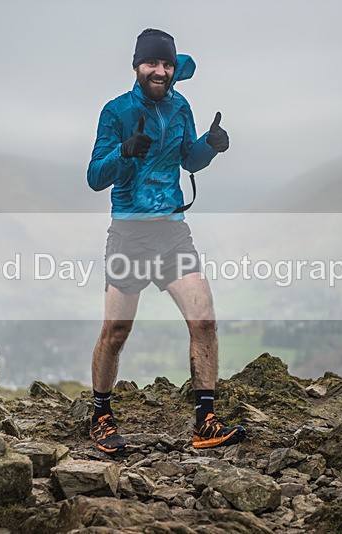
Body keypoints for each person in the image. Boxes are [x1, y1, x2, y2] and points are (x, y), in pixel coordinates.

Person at [86, 28, 245, 453]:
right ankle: (100, 414)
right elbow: (94, 177)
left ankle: (205, 422)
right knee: (117, 330)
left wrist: (209, 146)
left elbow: (188, 158)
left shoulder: (180, 106)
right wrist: (124, 152)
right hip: (129, 234)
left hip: (173, 231)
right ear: (137, 65)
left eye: (167, 65)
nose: (160, 71)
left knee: (204, 320)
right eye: (152, 63)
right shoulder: (115, 111)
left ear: (174, 69)